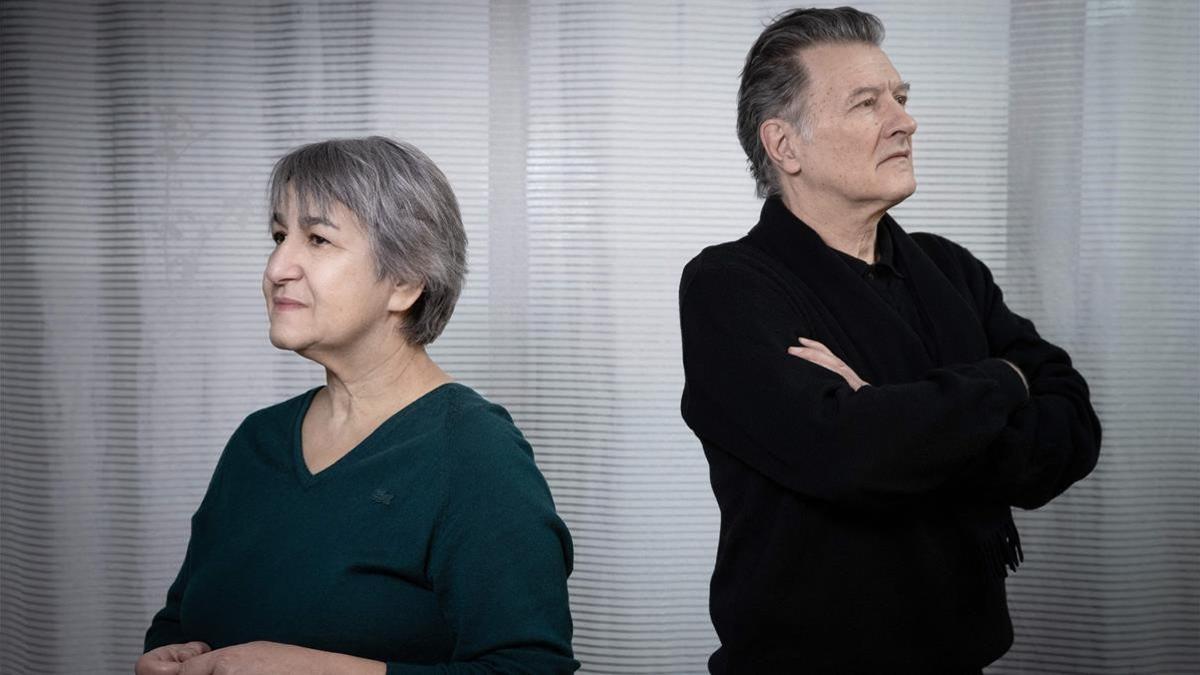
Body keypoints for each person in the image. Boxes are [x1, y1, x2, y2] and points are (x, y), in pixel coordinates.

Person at [678, 8, 1101, 673]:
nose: (905, 121)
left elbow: (1073, 429)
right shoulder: (728, 286)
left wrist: (889, 408)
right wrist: (1004, 382)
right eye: (867, 103)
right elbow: (847, 453)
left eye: (900, 99)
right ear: (784, 145)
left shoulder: (950, 269)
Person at [137, 137, 578, 675]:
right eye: (279, 236)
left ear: (405, 282)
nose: (278, 266)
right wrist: (170, 653)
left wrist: (322, 671)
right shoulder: (258, 439)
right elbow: (182, 617)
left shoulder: (474, 453)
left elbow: (530, 668)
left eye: (317, 239)